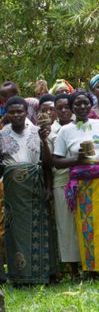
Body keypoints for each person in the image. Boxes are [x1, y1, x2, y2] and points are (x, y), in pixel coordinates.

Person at [52, 90, 99, 275]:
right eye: (77, 104)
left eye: (85, 103)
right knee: (89, 225)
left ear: (90, 105)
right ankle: (93, 268)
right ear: (72, 107)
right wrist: (76, 159)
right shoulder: (65, 130)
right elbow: (56, 161)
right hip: (83, 184)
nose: (82, 107)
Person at [0, 96, 57, 284]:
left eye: (20, 111)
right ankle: (19, 276)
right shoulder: (2, 135)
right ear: (6, 114)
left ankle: (43, 274)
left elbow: (48, 165)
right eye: (12, 112)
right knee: (15, 230)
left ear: (26, 112)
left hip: (36, 186)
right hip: (13, 192)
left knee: (40, 228)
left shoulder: (36, 131)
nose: (16, 115)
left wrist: (49, 187)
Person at [47, 93, 80, 279]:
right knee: (66, 226)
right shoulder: (51, 132)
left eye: (68, 106)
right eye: (60, 108)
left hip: (84, 179)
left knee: (83, 223)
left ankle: (89, 264)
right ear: (55, 111)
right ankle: (73, 270)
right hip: (62, 180)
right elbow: (49, 162)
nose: (65, 110)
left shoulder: (83, 125)